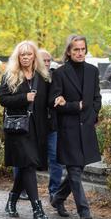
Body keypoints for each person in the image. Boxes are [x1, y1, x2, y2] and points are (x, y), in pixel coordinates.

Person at [49, 34, 102, 219]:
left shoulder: (93, 71)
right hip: (68, 128)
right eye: (76, 50)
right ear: (69, 52)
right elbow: (53, 102)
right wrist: (74, 106)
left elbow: (97, 98)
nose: (80, 53)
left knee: (78, 167)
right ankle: (83, 209)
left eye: (82, 49)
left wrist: (92, 114)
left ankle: (58, 198)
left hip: (86, 127)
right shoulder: (60, 73)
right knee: (74, 170)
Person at [0, 41, 51, 219]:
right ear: (18, 57)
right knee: (28, 165)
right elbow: (3, 99)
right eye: (23, 55)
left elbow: (48, 102)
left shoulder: (42, 77)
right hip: (18, 129)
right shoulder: (11, 75)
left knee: (25, 166)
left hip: (37, 129)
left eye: (29, 54)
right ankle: (37, 208)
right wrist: (23, 98)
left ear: (34, 56)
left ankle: (12, 200)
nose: (26, 57)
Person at [39, 49, 63, 201]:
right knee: (26, 159)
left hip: (52, 125)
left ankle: (54, 191)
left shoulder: (55, 77)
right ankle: (19, 189)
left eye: (49, 60)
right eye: (44, 60)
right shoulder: (31, 77)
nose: (47, 63)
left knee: (56, 158)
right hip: (34, 125)